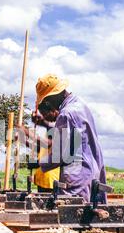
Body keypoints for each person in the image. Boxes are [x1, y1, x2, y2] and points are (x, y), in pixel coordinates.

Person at [35, 74, 106, 202]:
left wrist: (40, 163)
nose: (48, 104)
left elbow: (61, 154)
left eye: (47, 101)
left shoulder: (66, 114)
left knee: (72, 214)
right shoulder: (80, 105)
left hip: (77, 176)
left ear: (52, 96)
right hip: (93, 170)